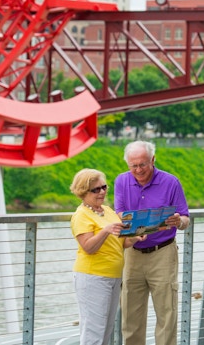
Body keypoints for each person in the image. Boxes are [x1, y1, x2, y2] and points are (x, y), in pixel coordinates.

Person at [114, 141, 190, 345]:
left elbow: (185, 219)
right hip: (132, 253)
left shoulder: (171, 182)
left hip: (163, 252)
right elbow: (118, 212)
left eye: (143, 164)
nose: (138, 170)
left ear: (153, 160)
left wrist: (178, 221)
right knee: (130, 315)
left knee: (167, 313)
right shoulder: (121, 181)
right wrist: (132, 225)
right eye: (133, 166)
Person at [70, 168, 146, 345]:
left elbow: (121, 243)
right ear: (83, 192)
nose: (102, 192)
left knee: (106, 330)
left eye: (103, 187)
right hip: (93, 277)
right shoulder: (81, 215)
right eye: (95, 190)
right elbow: (88, 247)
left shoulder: (107, 211)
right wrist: (105, 231)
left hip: (113, 277)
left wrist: (134, 238)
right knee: (93, 332)